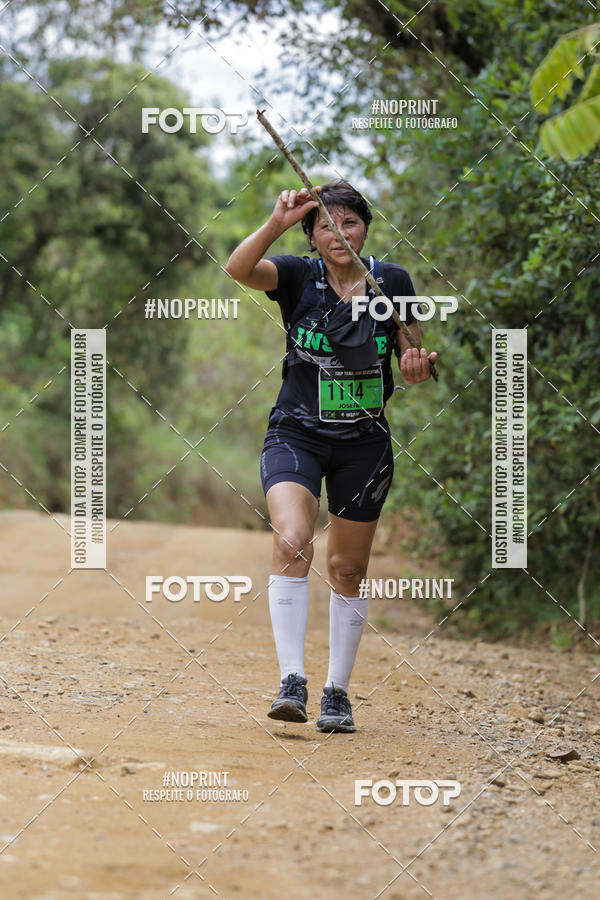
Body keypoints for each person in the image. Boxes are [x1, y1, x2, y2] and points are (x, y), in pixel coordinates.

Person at [225, 180, 436, 733]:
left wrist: (415, 368)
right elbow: (237, 269)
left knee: (347, 567)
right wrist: (275, 221)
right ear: (312, 236)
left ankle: (337, 693)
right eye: (325, 225)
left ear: (365, 228)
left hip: (363, 444)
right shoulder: (295, 276)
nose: (338, 233)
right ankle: (291, 680)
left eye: (349, 223)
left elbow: (412, 355)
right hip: (297, 432)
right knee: (293, 539)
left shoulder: (392, 281)